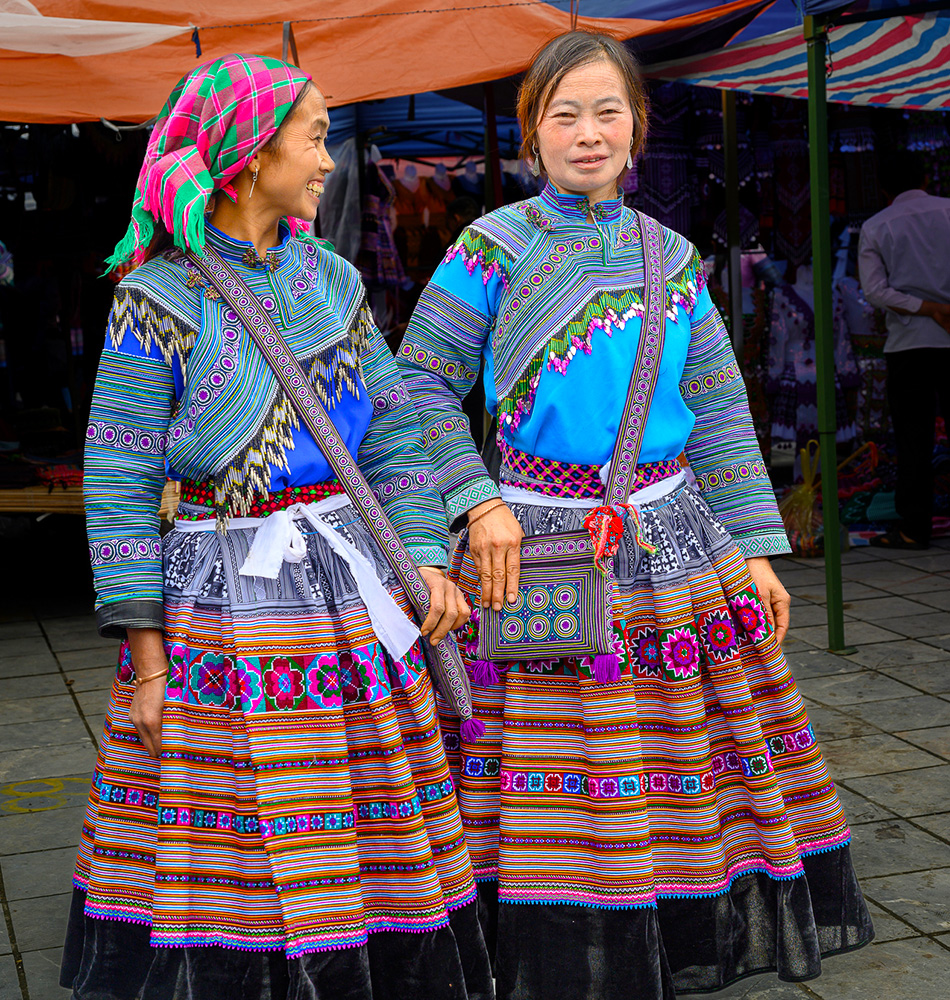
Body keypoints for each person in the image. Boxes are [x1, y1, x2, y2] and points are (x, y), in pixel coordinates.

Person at [397, 31, 873, 1000]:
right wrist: (474, 498)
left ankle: (672, 925)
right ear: (532, 132)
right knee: (549, 751)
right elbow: (415, 388)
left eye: (605, 111)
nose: (586, 132)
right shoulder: (487, 248)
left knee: (675, 746)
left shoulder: (672, 256)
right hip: (527, 541)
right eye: (563, 113)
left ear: (636, 127)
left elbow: (719, 406)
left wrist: (755, 550)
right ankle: (547, 939)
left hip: (674, 539)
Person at [61, 55, 493, 1000]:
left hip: (347, 591)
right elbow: (120, 476)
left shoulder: (333, 281)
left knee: (364, 801)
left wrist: (423, 556)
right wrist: (146, 661)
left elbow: (395, 432)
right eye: (314, 136)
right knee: (237, 807)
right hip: (221, 599)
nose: (329, 159)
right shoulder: (158, 298)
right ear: (252, 156)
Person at [858, 149, 950, 550]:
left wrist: (926, 308)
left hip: (910, 344)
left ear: (883, 189)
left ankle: (915, 528)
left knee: (914, 439)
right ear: (926, 180)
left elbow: (875, 291)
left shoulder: (878, 226)